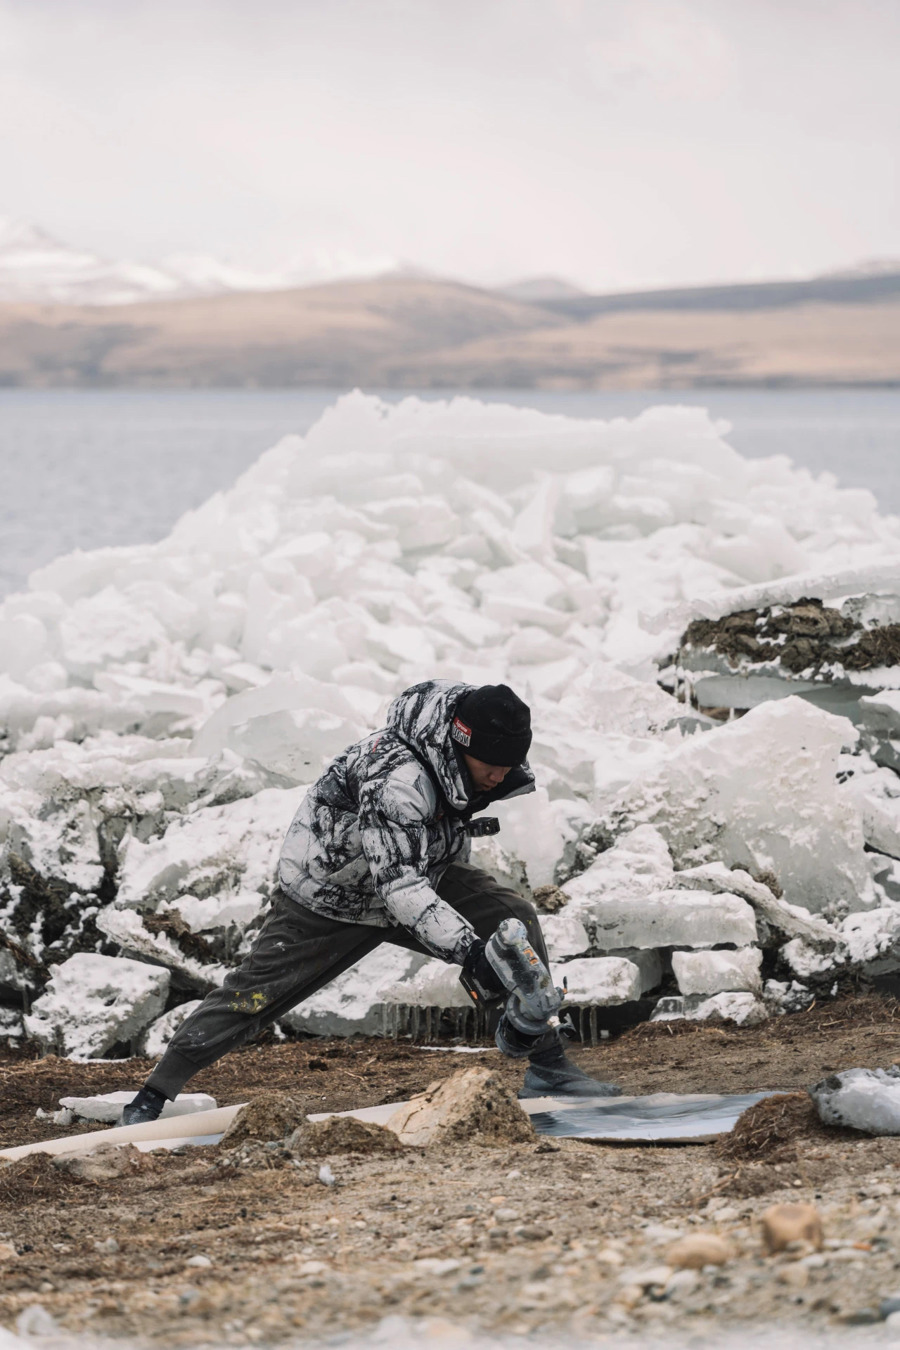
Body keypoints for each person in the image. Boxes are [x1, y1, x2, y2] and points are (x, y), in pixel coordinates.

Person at [122, 679, 619, 1124]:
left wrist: (488, 950)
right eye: (492, 768)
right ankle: (153, 1094)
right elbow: (398, 889)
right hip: (332, 894)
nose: (499, 777)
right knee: (253, 996)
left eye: (508, 766)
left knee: (512, 920)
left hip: (420, 869)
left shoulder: (474, 730)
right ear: (461, 747)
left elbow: (411, 871)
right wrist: (471, 953)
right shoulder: (397, 783)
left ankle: (547, 1062)